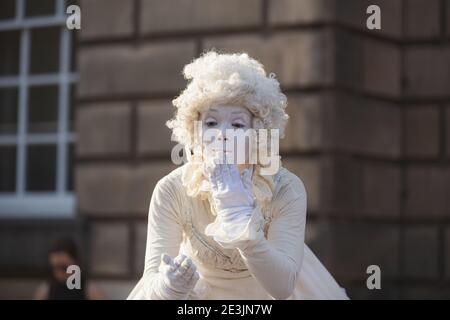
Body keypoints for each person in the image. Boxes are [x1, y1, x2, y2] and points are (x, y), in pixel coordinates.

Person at [127, 51, 349, 300]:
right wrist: (169, 286)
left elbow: (282, 288)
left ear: (258, 133)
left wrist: (240, 220)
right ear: (195, 131)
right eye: (211, 123)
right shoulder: (171, 189)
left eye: (237, 124)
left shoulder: (286, 188)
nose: (222, 133)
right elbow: (152, 281)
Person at [34, 237, 104, 300]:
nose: (59, 272)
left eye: (64, 267)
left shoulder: (90, 289)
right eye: (54, 267)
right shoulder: (46, 290)